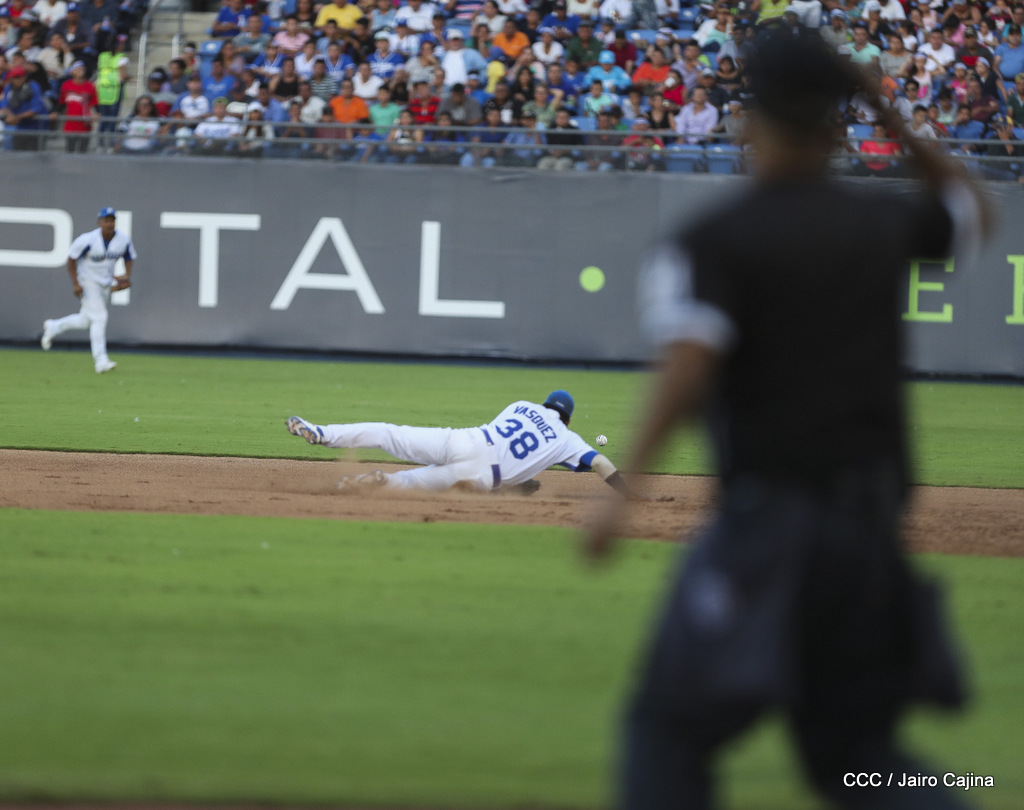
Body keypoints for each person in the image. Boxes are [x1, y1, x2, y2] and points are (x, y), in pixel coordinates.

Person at [583, 33, 986, 810]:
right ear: (837, 129)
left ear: (749, 124)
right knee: (857, 760)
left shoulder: (714, 240)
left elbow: (691, 364)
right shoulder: (880, 222)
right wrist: (889, 116)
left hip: (768, 525)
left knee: (666, 732)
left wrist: (622, 493)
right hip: (869, 536)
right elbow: (969, 211)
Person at [287, 390, 637, 495]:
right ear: (568, 419)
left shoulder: (521, 405)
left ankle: (322, 433)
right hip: (483, 476)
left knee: (388, 434)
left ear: (545, 404)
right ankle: (380, 482)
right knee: (410, 484)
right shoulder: (567, 438)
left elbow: (509, 443)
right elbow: (599, 462)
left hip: (465, 441)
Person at [41, 207, 136, 375]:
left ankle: (54, 327)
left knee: (85, 321)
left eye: (112, 220)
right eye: (106, 220)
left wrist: (126, 276)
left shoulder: (123, 240)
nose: (109, 223)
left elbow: (129, 257)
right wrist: (76, 283)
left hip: (105, 283)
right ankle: (101, 361)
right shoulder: (88, 240)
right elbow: (71, 259)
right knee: (100, 317)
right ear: (100, 222)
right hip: (88, 281)